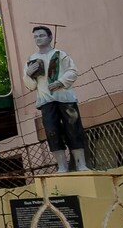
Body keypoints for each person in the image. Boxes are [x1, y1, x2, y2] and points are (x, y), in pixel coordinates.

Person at [26, 26, 89, 171]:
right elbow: (30, 85)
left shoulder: (60, 54)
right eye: (35, 36)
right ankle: (62, 166)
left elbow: (72, 71)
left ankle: (81, 164)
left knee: (73, 129)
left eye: (41, 35)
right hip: (46, 101)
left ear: (50, 37)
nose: (38, 38)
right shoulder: (32, 59)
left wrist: (60, 82)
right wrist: (28, 74)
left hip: (65, 98)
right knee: (52, 131)